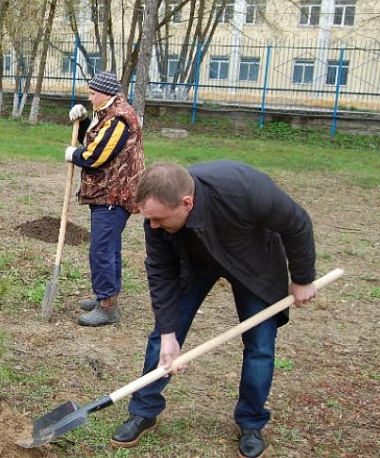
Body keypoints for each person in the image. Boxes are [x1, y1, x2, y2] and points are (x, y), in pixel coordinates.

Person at [110, 161, 317, 458]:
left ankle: (251, 422)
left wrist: (302, 278)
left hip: (253, 264)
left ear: (187, 203)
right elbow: (161, 272)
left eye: (159, 220)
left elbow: (296, 222)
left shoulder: (245, 190)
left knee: (260, 344)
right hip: (193, 263)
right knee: (162, 337)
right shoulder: (155, 217)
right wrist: (169, 332)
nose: (153, 226)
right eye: (149, 219)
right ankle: (144, 412)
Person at [65, 70, 145, 327]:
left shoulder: (119, 119)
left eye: (92, 93)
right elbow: (98, 139)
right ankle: (106, 295)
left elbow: (96, 155)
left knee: (101, 249)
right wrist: (84, 122)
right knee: (109, 248)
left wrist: (74, 155)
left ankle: (107, 306)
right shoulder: (109, 114)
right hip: (108, 192)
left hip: (114, 193)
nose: (89, 97)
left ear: (104, 94)